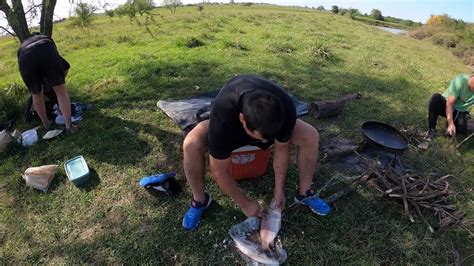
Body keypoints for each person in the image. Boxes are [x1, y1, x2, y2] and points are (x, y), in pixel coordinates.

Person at [181, 74, 330, 231]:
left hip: (265, 118)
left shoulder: (285, 108)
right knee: (191, 144)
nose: (265, 143)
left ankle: (304, 192)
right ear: (242, 119)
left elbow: (281, 148)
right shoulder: (223, 116)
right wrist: (245, 204)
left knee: (310, 135)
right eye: (260, 138)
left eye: (269, 139)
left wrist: (279, 189)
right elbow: (219, 170)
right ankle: (200, 200)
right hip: (231, 125)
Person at [17, 33, 78, 133]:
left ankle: (46, 124)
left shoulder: (22, 46)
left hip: (25, 56)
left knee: (36, 94)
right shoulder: (46, 40)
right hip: (46, 49)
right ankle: (69, 126)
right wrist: (58, 82)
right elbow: (65, 66)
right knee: (61, 91)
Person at [426, 74, 474, 140]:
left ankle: (453, 126)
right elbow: (449, 104)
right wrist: (451, 123)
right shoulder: (460, 81)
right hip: (446, 106)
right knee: (435, 98)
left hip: (460, 113)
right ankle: (431, 129)